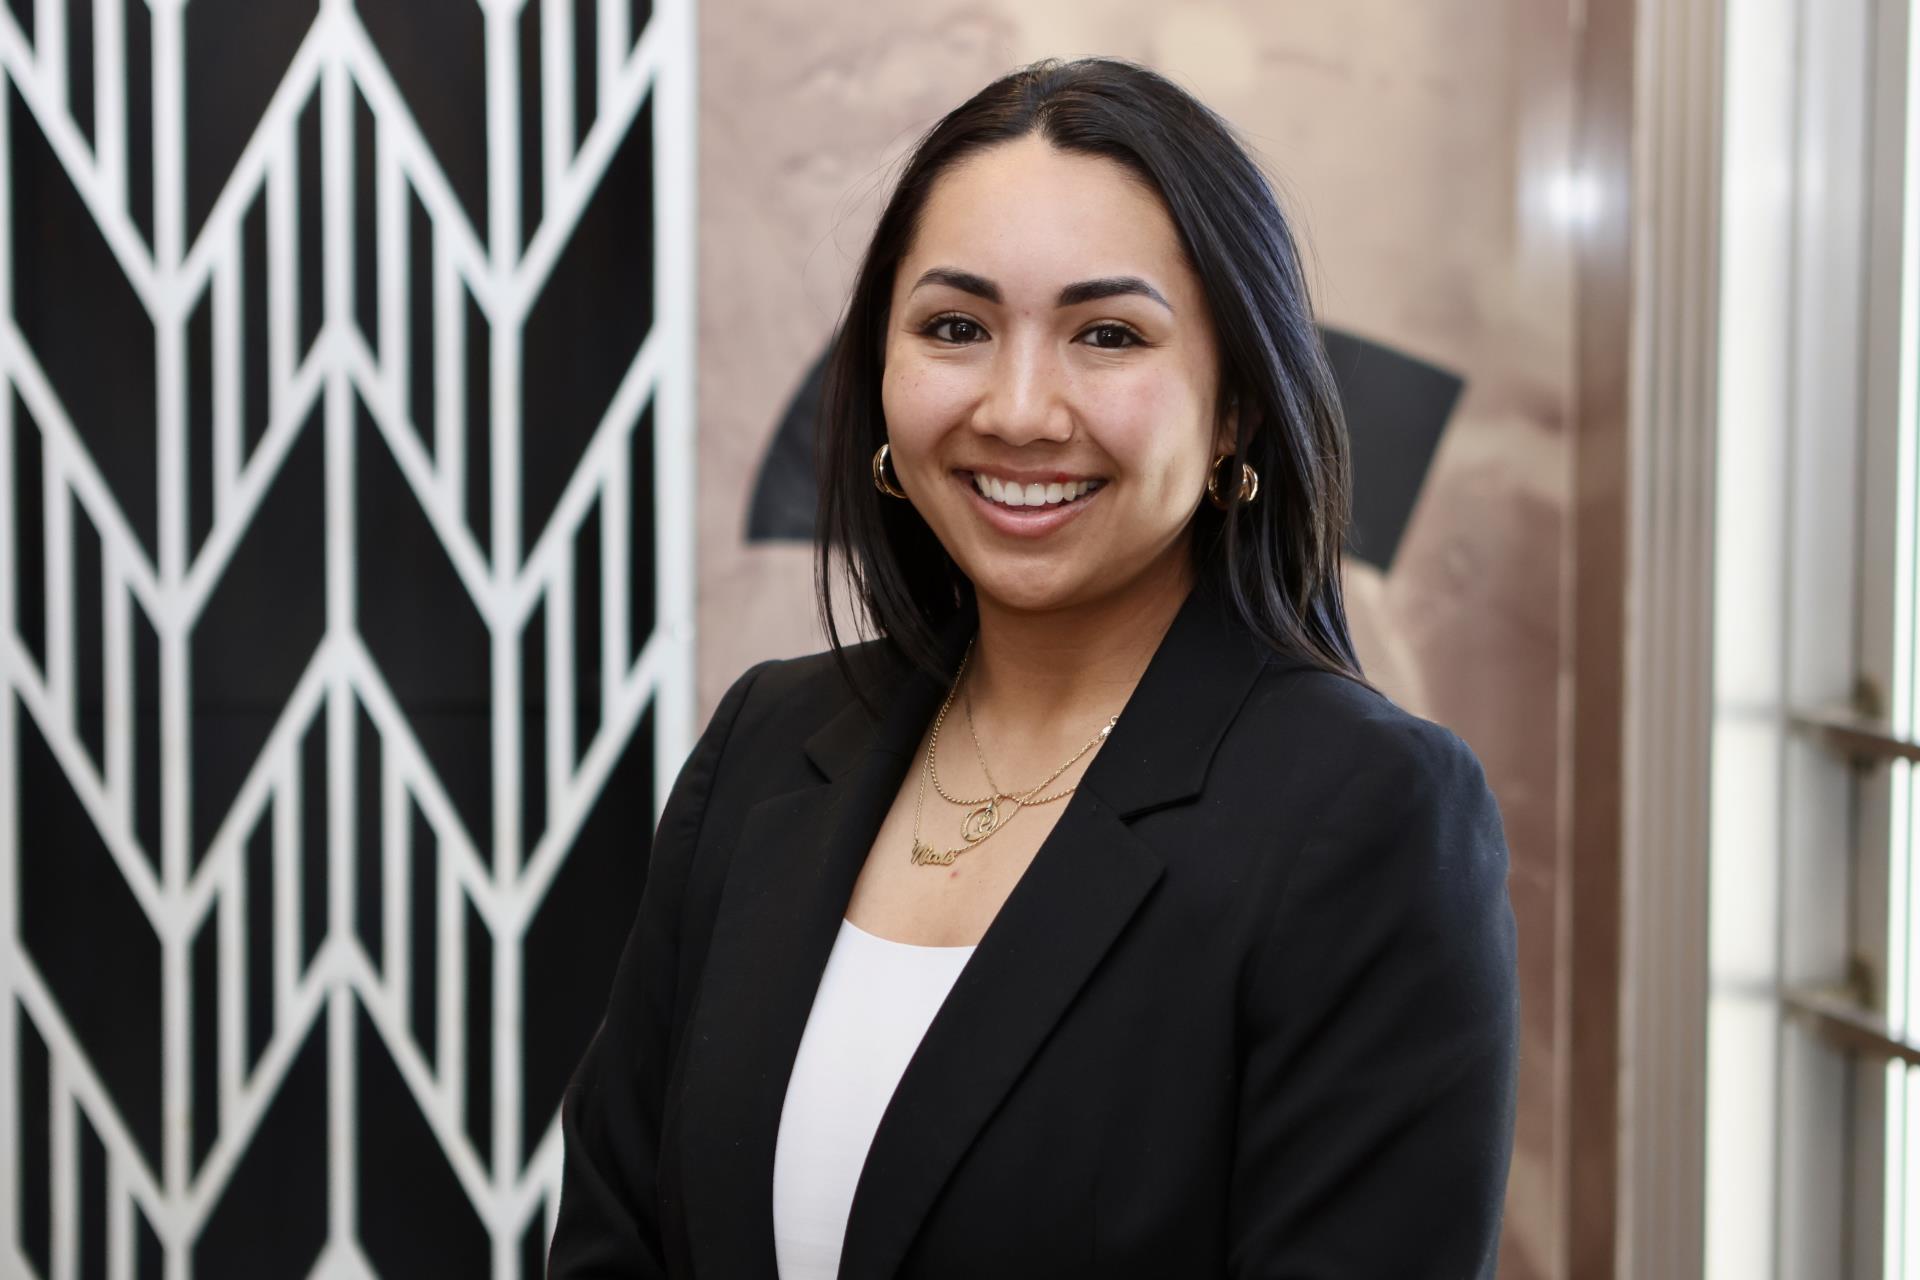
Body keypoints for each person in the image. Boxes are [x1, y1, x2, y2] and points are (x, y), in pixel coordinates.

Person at [548, 55, 1518, 1279]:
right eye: (955, 326)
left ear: (1236, 411)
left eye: (1107, 334)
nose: (1018, 408)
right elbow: (609, 1241)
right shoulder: (770, 741)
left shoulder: (1370, 815)